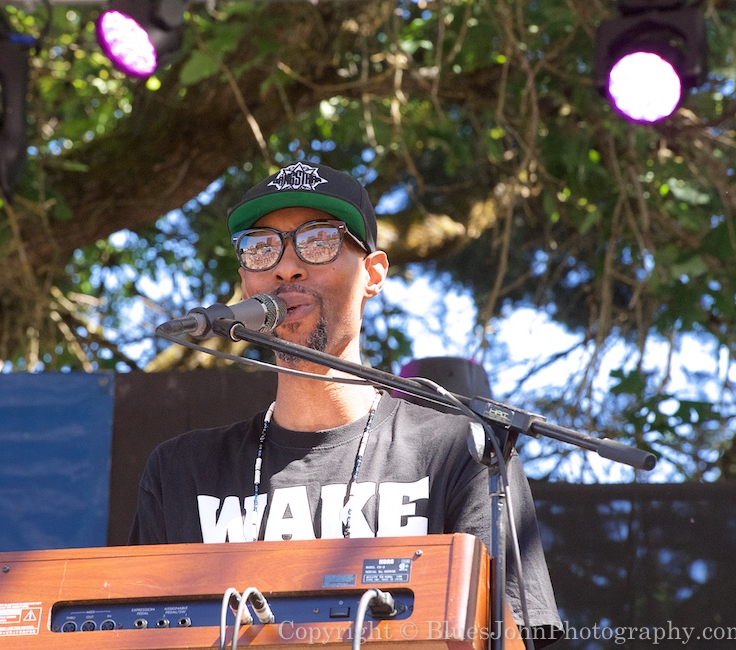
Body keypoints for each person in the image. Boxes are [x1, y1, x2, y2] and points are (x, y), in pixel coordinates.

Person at [129, 161, 562, 647]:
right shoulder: (181, 471)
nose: (285, 266)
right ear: (246, 282)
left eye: (318, 241)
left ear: (373, 274)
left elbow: (505, 636)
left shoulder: (466, 453)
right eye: (262, 248)